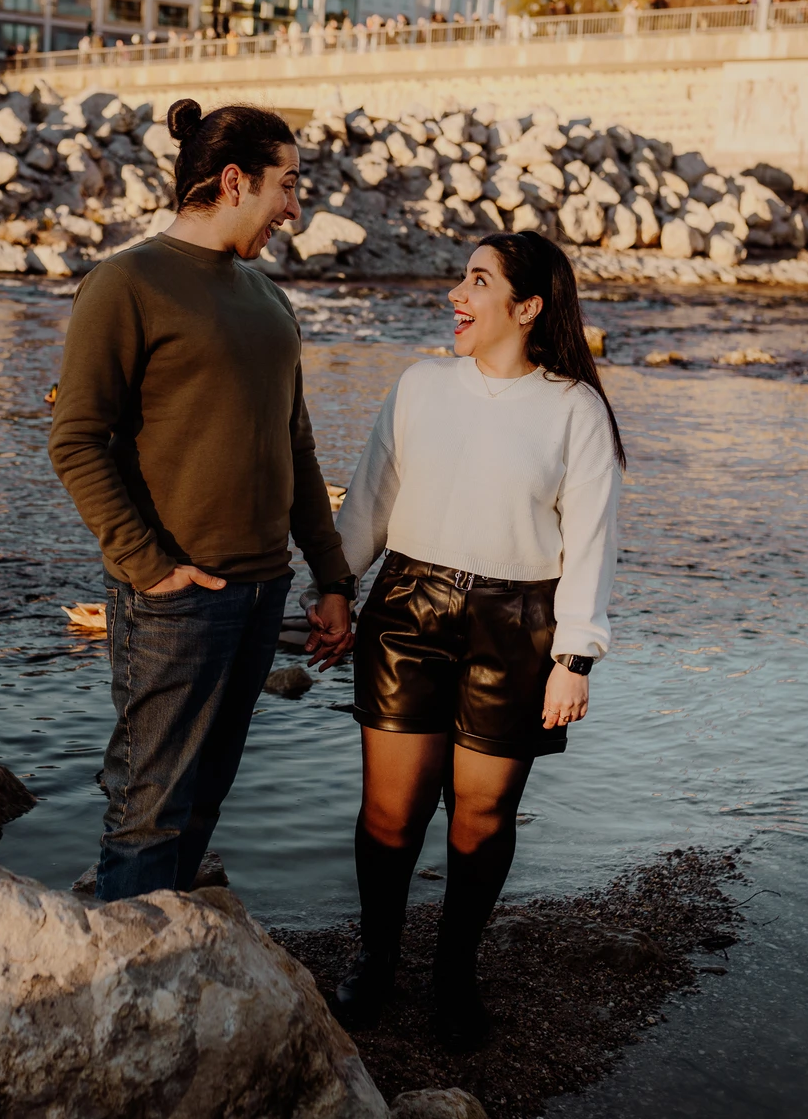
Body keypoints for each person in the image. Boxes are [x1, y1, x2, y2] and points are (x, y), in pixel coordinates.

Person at [49, 99, 356, 903]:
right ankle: (124, 988)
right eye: (286, 186)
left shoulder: (269, 299)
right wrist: (151, 569)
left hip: (263, 591)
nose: (295, 207)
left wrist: (332, 579)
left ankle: (168, 963)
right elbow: (75, 441)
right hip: (176, 598)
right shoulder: (125, 283)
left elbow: (296, 449)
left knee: (205, 799)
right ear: (232, 181)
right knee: (148, 809)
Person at [331, 230, 626, 1050]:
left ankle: (454, 970)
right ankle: (378, 958)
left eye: (478, 280)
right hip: (407, 610)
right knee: (392, 812)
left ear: (526, 308)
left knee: (483, 816)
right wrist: (330, 587)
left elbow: (593, 542)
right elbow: (369, 498)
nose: (456, 293)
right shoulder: (422, 385)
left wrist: (575, 656)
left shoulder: (575, 408)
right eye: (463, 277)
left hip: (519, 625)